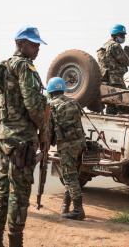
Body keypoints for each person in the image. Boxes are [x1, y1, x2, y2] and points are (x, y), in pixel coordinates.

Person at [0, 26, 47, 247]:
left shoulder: (0, 67)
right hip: (21, 139)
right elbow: (32, 104)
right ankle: (15, 243)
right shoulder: (24, 67)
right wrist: (43, 128)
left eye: (38, 43)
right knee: (19, 194)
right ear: (20, 43)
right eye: (33, 43)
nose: (38, 47)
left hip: (4, 136)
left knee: (3, 190)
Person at [46, 77, 86, 220]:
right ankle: (66, 205)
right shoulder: (74, 102)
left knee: (69, 177)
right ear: (62, 89)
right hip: (80, 145)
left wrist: (47, 144)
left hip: (67, 146)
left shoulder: (51, 106)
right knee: (73, 175)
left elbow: (49, 130)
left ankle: (78, 210)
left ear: (50, 91)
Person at [96, 24, 129, 114]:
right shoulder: (115, 46)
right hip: (116, 80)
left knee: (111, 103)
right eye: (122, 35)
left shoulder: (104, 46)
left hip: (105, 79)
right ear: (115, 35)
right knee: (126, 102)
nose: (123, 37)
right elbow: (126, 61)